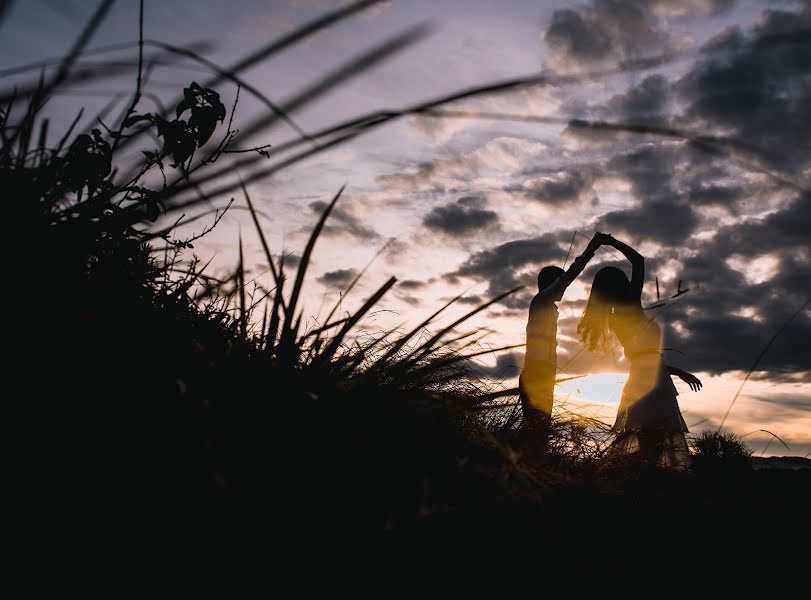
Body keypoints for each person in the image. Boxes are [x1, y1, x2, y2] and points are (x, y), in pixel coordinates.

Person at [576, 234, 702, 469]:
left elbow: (643, 357)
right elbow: (639, 261)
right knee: (652, 447)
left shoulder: (616, 317)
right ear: (620, 286)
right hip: (653, 381)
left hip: (644, 377)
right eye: (624, 280)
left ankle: (633, 486)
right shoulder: (631, 307)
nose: (629, 282)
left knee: (649, 445)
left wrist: (676, 372)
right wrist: (611, 242)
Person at [520, 232, 610, 430]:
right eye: (560, 282)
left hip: (543, 372)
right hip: (537, 372)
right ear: (551, 283)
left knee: (539, 428)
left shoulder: (547, 306)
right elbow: (571, 274)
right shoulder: (542, 300)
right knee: (535, 428)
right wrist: (591, 248)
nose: (564, 288)